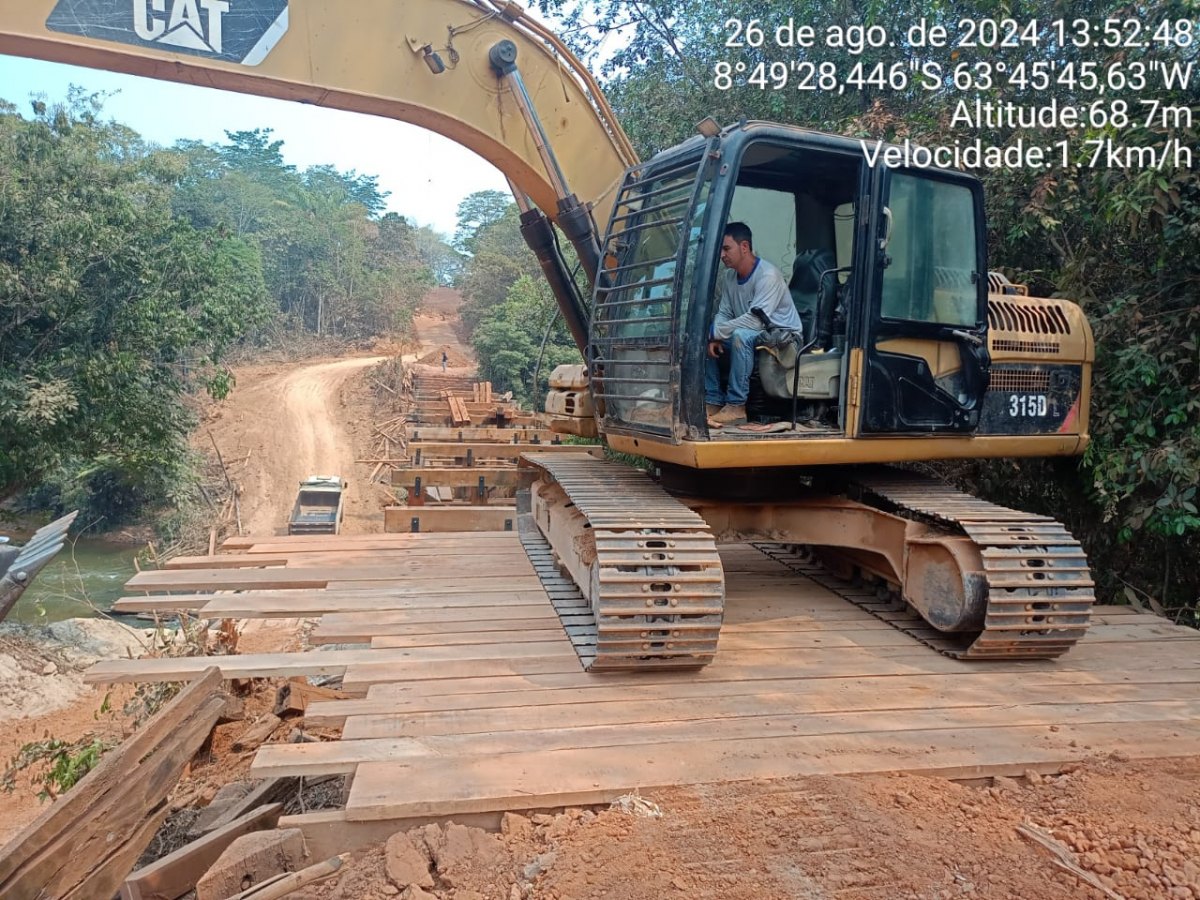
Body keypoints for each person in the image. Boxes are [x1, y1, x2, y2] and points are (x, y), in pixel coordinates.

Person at [705, 222, 803, 426]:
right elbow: (724, 312)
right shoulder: (729, 277)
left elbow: (756, 321)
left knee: (741, 335)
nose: (722, 255)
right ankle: (713, 400)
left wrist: (717, 331)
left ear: (744, 247)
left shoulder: (768, 276)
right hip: (754, 333)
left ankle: (736, 407)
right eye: (720, 250)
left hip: (783, 337)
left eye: (726, 248)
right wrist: (714, 336)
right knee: (703, 340)